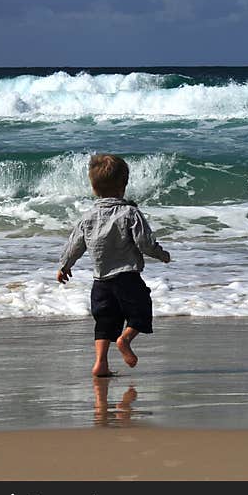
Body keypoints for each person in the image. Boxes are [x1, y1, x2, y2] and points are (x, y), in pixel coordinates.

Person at [57, 154, 171, 377]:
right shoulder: (130, 213)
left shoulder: (87, 217)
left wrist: (64, 266)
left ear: (93, 187)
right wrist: (161, 255)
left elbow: (74, 245)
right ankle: (125, 340)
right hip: (126, 277)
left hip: (100, 282)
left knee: (104, 322)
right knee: (141, 312)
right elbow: (144, 243)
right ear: (123, 186)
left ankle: (101, 363)